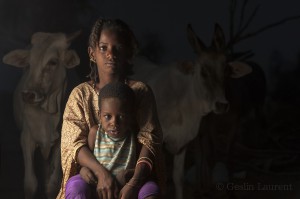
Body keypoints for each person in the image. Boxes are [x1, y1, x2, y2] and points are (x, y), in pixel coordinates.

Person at [56, 18, 164, 199]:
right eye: (103, 48)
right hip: (91, 173)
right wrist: (101, 173)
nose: (110, 54)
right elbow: (73, 144)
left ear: (128, 53)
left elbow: (149, 139)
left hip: (131, 174)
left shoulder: (140, 92)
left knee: (150, 192)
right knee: (76, 189)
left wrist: (134, 182)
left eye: (118, 48)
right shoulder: (80, 95)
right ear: (92, 53)